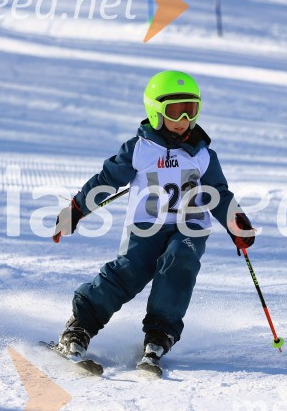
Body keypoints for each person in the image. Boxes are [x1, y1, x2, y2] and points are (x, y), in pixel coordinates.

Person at [52, 70, 255, 372]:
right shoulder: (140, 149)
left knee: (179, 261)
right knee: (128, 272)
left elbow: (218, 193)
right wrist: (77, 209)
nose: (184, 118)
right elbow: (107, 181)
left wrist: (235, 221)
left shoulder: (203, 155)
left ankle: (160, 333)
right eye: (175, 110)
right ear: (155, 111)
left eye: (191, 109)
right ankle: (79, 326)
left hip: (190, 226)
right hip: (145, 225)